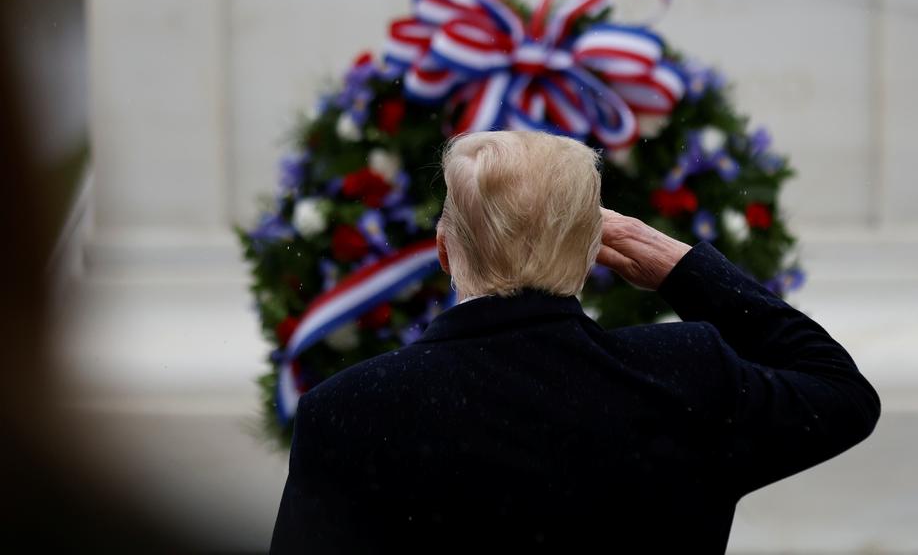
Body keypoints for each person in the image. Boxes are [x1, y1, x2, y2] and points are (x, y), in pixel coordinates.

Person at [269, 129, 880, 553]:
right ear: (595, 256)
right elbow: (841, 391)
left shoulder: (352, 411)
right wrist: (684, 268)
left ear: (442, 249)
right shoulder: (685, 377)